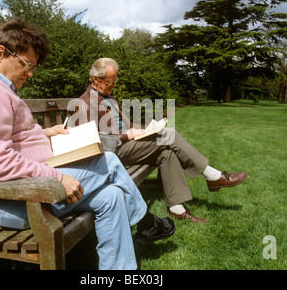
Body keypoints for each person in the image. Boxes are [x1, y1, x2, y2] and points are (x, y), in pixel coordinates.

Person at [0, 19, 175, 270]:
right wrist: (57, 178)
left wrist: (47, 133)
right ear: (0, 53)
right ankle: (146, 223)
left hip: (30, 191)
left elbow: (10, 140)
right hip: (18, 200)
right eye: (27, 64)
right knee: (109, 161)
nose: (31, 73)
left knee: (111, 195)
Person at [74, 58, 248, 224]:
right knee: (168, 135)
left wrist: (143, 130)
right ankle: (212, 176)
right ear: (96, 79)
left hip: (127, 145)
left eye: (115, 81)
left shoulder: (108, 97)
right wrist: (127, 135)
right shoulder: (83, 103)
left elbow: (121, 126)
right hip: (112, 154)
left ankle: (176, 208)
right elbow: (93, 140)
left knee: (166, 151)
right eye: (110, 82)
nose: (113, 85)